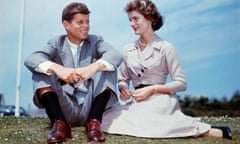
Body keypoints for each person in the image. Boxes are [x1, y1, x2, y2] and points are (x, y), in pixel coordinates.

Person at [102, 0, 232, 140]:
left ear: (150, 19)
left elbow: (181, 83)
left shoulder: (166, 47)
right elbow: (123, 79)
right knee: (105, 118)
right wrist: (124, 89)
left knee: (149, 123)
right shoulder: (128, 49)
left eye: (135, 19)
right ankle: (181, 125)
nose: (132, 24)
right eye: (130, 20)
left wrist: (153, 89)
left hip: (160, 100)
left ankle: (209, 131)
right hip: (137, 102)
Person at [24, 2, 122, 143]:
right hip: (65, 107)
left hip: (90, 107)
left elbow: (115, 55)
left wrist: (93, 67)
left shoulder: (95, 41)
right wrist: (58, 69)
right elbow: (31, 59)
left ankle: (94, 124)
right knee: (41, 70)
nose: (86, 26)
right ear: (66, 24)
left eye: (87, 21)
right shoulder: (56, 42)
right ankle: (59, 125)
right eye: (80, 22)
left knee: (106, 66)